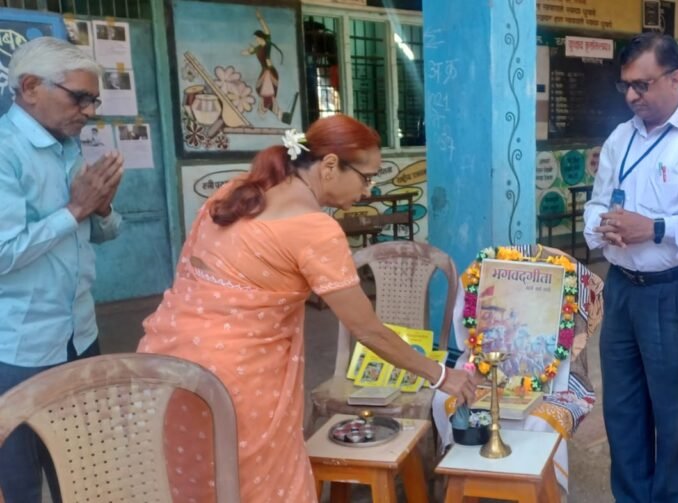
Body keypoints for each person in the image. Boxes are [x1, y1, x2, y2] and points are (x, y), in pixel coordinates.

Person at [136, 114, 478, 503]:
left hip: (168, 363)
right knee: (255, 485)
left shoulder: (233, 193)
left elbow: (191, 275)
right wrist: (440, 375)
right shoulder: (315, 230)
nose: (368, 190)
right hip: (239, 381)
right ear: (330, 166)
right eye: (366, 178)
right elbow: (367, 330)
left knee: (196, 476)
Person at [583, 32, 678, 502]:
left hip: (673, 293)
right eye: (627, 86)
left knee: (676, 416)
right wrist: (604, 227)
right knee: (622, 410)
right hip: (620, 289)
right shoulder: (621, 137)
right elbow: (597, 203)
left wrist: (654, 228)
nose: (632, 96)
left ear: (676, 78)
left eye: (643, 85)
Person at [0, 37, 123, 503]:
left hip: (79, 333)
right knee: (21, 481)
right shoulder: (5, 151)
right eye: (79, 97)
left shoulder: (67, 146)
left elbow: (98, 233)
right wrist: (76, 209)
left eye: (94, 100)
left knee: (81, 467)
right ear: (31, 87)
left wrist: (101, 209)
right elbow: (3, 253)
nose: (88, 111)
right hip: (20, 346)